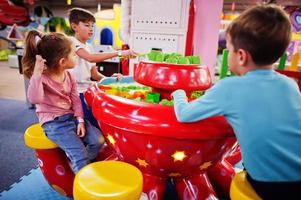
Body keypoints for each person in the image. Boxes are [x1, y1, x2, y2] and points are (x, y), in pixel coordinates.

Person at [172, 4, 301, 199]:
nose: (227, 53)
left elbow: (184, 114)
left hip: (269, 185)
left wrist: (179, 93)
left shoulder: (229, 87)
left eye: (229, 49)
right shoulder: (290, 85)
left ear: (241, 56)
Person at [22, 30, 103, 173]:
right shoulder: (43, 78)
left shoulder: (69, 75)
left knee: (98, 140)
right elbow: (35, 99)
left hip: (71, 117)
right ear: (62, 62)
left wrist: (80, 120)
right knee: (80, 155)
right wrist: (36, 74)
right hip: (54, 124)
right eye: (73, 54)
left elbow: (75, 99)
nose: (76, 56)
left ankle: (81, 166)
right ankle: (82, 179)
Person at [68, 7, 137, 128]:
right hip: (76, 94)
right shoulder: (72, 42)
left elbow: (94, 74)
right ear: (74, 27)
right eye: (86, 25)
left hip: (88, 91)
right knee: (92, 125)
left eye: (92, 26)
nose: (91, 29)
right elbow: (90, 57)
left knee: (100, 120)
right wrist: (119, 53)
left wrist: (113, 81)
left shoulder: (89, 46)